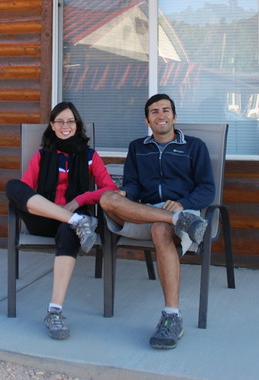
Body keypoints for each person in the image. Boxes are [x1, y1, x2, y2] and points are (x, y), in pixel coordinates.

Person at [99, 93, 214, 350]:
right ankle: (174, 219)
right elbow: (133, 185)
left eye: (165, 110)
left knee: (161, 229)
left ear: (174, 116)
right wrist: (125, 194)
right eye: (154, 112)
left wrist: (183, 204)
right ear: (147, 120)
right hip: (148, 212)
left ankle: (172, 317)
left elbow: (207, 189)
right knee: (107, 199)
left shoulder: (195, 147)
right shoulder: (137, 147)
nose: (160, 115)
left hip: (183, 212)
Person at [5, 102, 118, 340]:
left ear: (77, 125)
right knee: (13, 186)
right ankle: (76, 221)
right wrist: (67, 213)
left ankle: (54, 312)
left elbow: (110, 189)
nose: (65, 126)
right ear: (52, 125)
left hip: (73, 222)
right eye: (60, 121)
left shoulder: (90, 156)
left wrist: (79, 200)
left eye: (70, 121)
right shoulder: (41, 155)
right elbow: (25, 187)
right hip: (44, 219)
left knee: (69, 230)